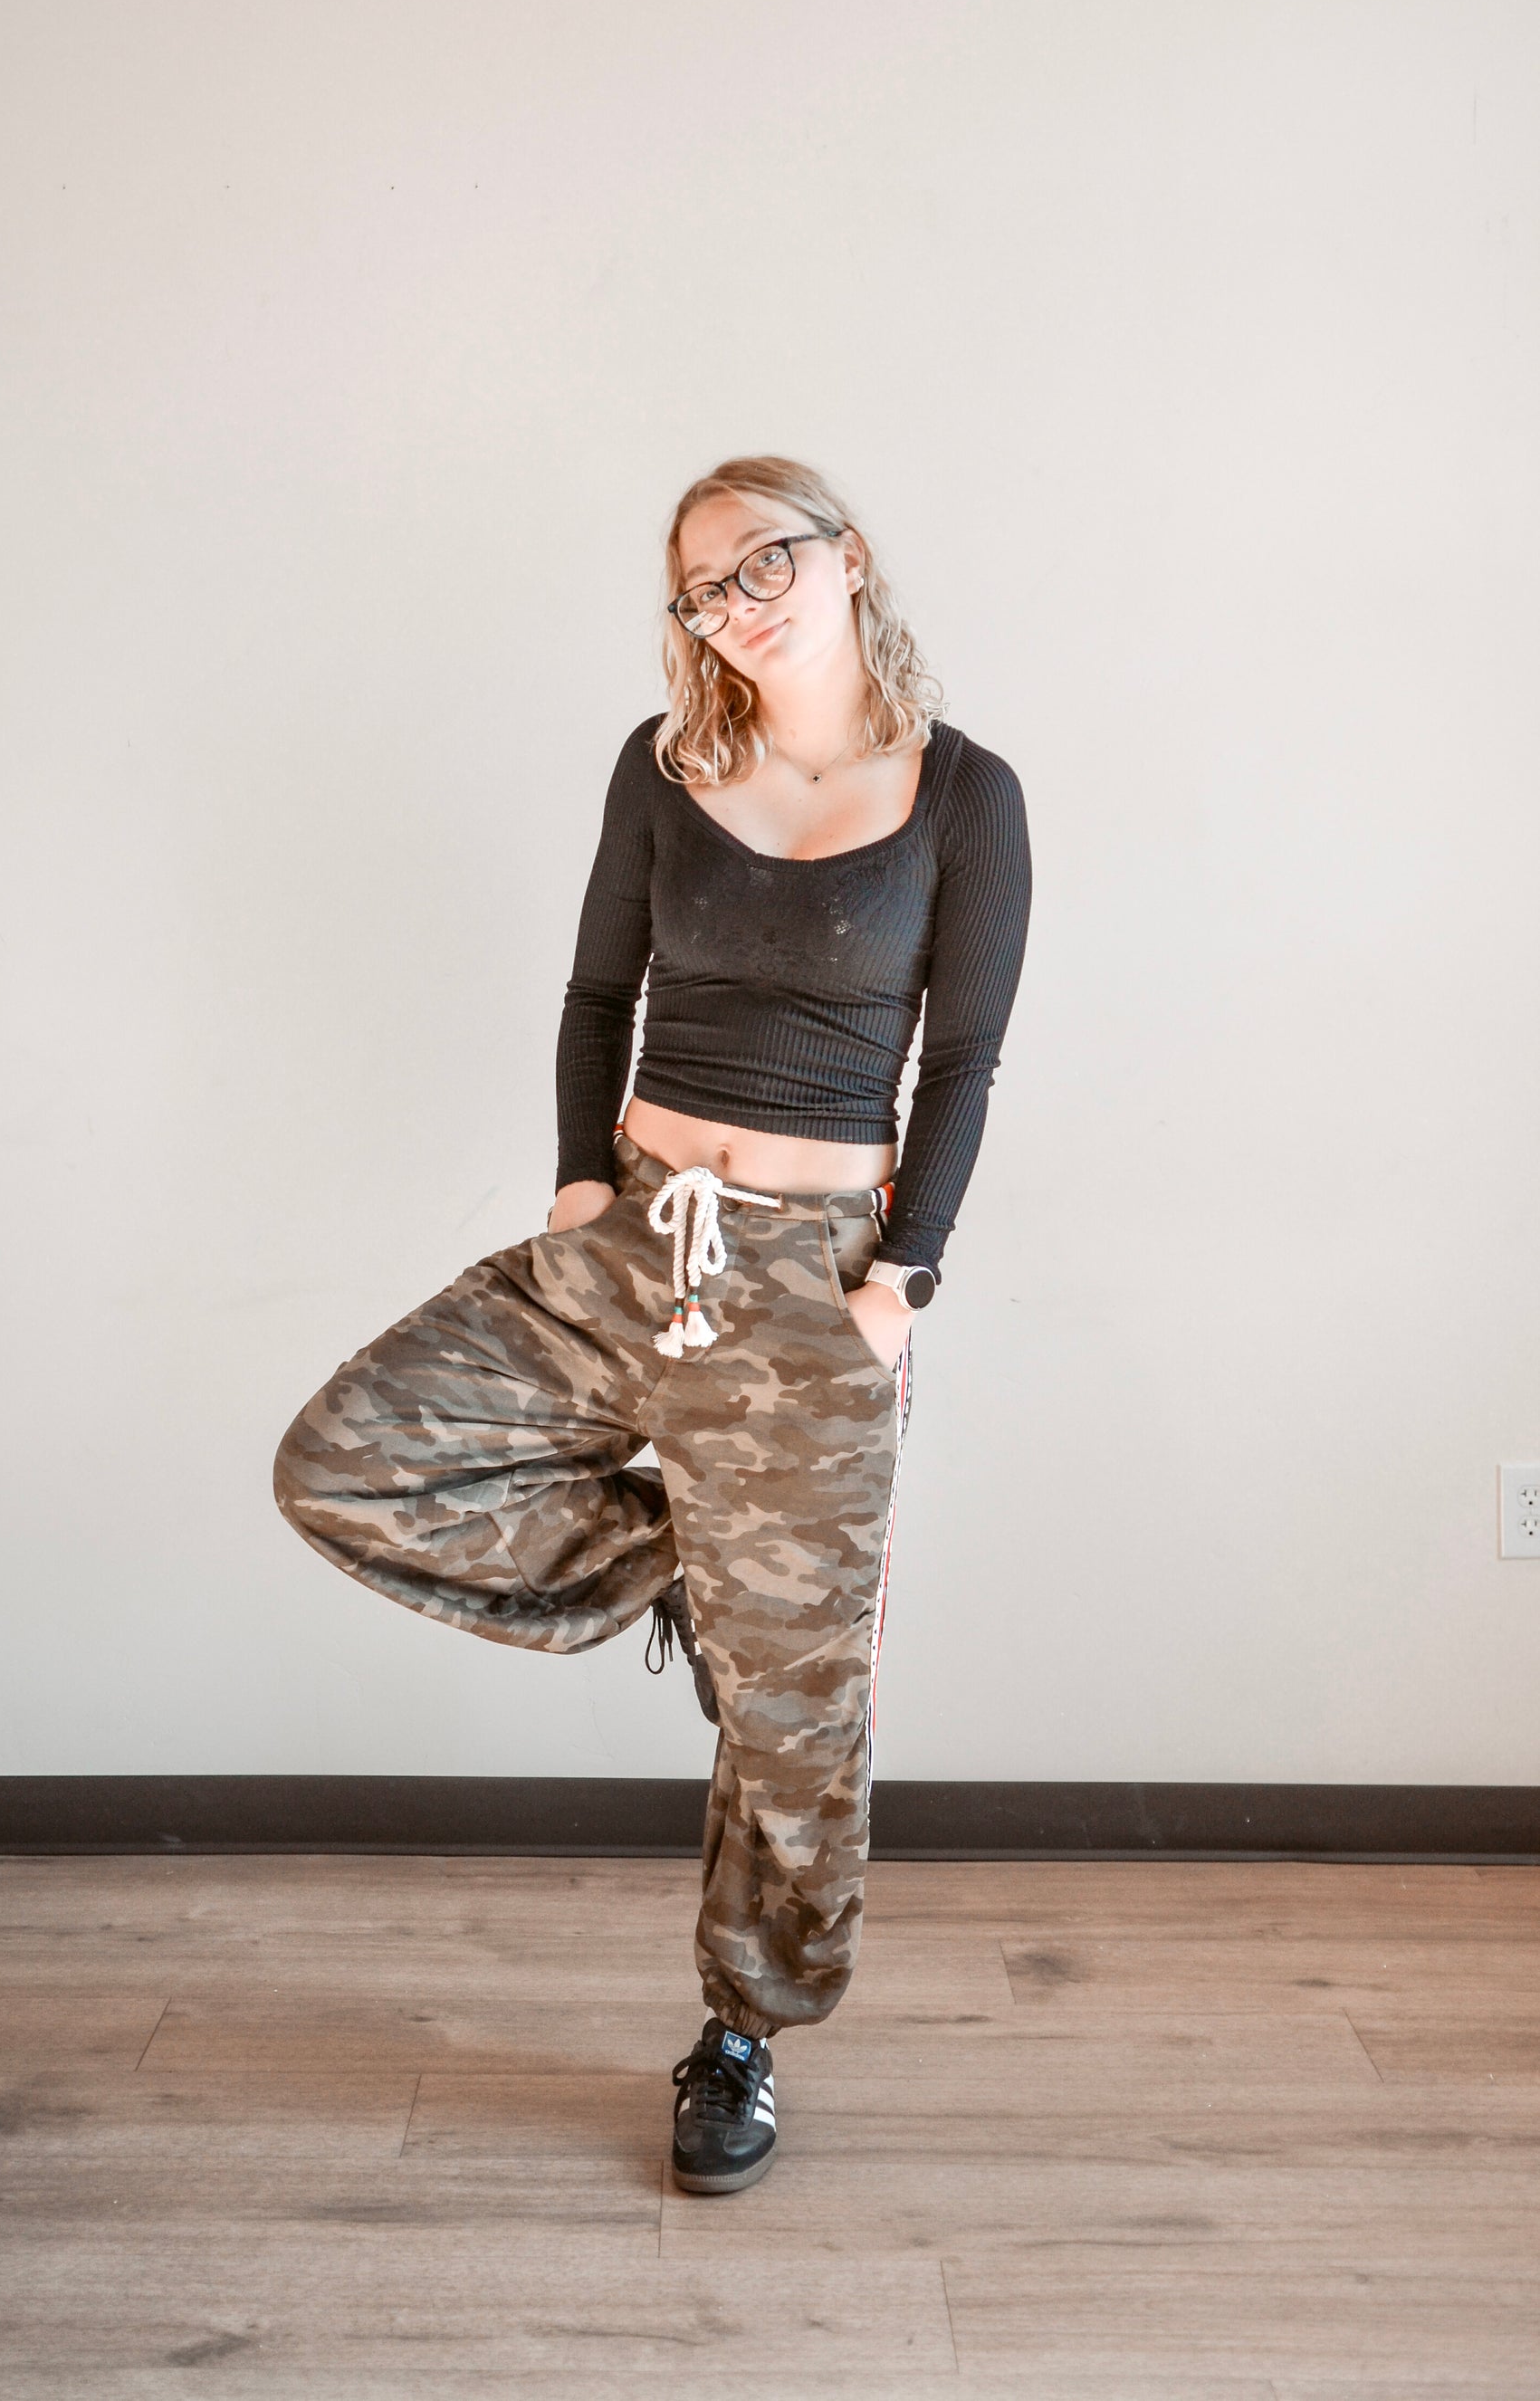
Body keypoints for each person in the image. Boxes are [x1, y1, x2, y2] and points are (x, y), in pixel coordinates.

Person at [273, 454, 1032, 2195]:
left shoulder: (965, 796)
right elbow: (597, 989)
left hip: (814, 1280)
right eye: (700, 587)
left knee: (795, 1715)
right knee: (347, 1462)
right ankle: (680, 1574)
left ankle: (740, 2035)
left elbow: (964, 1060)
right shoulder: (666, 759)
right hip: (637, 1232)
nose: (735, 603)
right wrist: (573, 1182)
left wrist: (895, 1279)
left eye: (763, 563)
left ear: (844, 559)